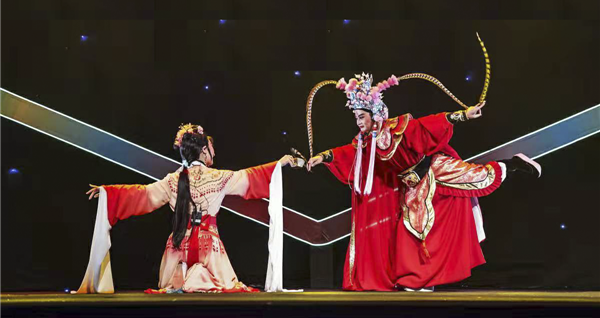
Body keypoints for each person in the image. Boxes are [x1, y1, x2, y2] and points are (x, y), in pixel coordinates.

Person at [306, 73, 541, 292]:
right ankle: (419, 279)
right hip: (414, 184)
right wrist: (323, 157)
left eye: (361, 116)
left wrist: (463, 115)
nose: (358, 122)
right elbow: (350, 153)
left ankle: (513, 164)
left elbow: (429, 125)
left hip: (435, 169)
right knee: (413, 228)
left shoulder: (398, 127)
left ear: (374, 113)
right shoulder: (367, 140)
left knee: (479, 178)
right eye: (356, 117)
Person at [83, 123, 296, 293]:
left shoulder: (172, 180)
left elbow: (142, 195)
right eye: (211, 148)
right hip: (210, 254)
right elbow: (251, 177)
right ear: (203, 150)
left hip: (177, 250)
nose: (214, 153)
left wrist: (109, 192)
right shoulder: (219, 177)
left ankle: (183, 279)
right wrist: (278, 165)